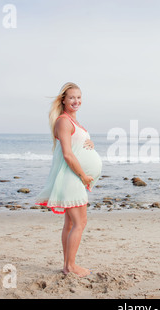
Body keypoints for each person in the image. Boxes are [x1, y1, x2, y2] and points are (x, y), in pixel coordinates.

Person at [36, 82, 102, 277]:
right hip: (71, 178)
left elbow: (77, 146)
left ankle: (67, 265)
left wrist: (90, 142)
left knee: (71, 224)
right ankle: (71, 266)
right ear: (63, 100)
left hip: (74, 178)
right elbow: (67, 154)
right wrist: (83, 176)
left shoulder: (74, 122)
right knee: (79, 223)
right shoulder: (63, 121)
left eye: (79, 97)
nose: (76, 101)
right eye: (72, 97)